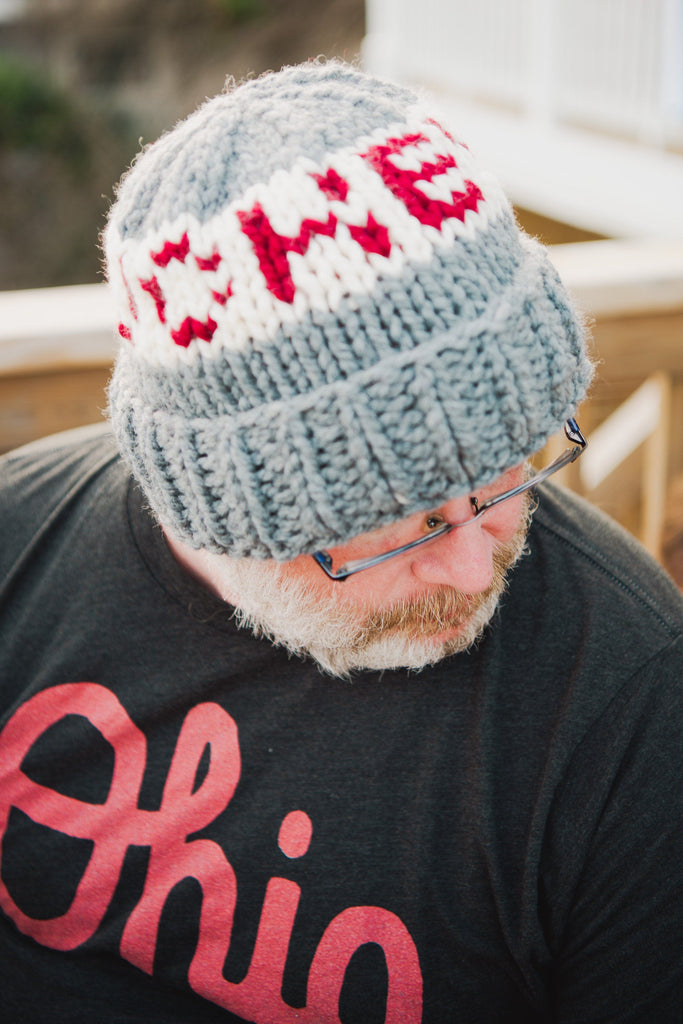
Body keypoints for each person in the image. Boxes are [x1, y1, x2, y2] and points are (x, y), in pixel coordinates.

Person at [0, 60, 681, 1024]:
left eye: (502, 477)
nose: (477, 565)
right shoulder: (16, 544)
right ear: (219, 511)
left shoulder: (631, 701)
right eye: (397, 530)